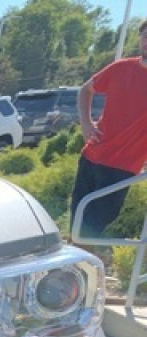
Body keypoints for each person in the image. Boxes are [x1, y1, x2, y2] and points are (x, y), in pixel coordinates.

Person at [69, 20, 147, 240]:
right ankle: (75, 258)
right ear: (140, 39)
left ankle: (80, 258)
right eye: (145, 35)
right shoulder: (121, 68)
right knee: (77, 223)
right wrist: (86, 123)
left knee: (92, 226)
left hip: (122, 168)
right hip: (91, 156)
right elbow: (85, 91)